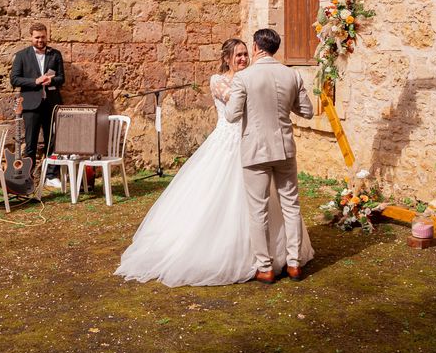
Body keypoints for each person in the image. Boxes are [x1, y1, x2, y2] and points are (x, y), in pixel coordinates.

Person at [115, 38, 313, 287]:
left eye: (244, 54)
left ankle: (274, 259)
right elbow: (234, 109)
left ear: (254, 50)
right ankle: (240, 254)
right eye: (238, 55)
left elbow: (251, 102)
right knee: (241, 203)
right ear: (227, 58)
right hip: (229, 143)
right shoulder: (219, 81)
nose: (242, 59)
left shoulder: (249, 78)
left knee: (267, 204)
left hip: (253, 145)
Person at [225, 29, 314, 284]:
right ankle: (294, 263)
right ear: (275, 48)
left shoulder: (244, 78)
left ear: (255, 47)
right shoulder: (292, 74)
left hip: (255, 150)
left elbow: (231, 115)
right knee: (291, 205)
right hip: (284, 149)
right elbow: (307, 111)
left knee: (258, 210)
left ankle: (265, 267)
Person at [10, 23, 65, 188]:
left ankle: (50, 175)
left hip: (51, 104)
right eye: (37, 37)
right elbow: (15, 79)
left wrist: (51, 80)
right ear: (31, 37)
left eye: (43, 37)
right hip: (30, 106)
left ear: (47, 35)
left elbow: (62, 78)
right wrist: (35, 81)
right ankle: (28, 178)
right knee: (31, 143)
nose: (41, 40)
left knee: (52, 141)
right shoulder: (21, 55)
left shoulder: (55, 54)